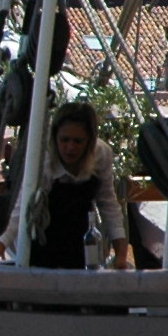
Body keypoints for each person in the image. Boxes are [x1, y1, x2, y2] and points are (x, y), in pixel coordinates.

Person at [24, 101, 133, 270]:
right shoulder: (42, 158)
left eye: (78, 141)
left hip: (81, 243)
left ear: (89, 141)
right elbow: (23, 206)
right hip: (43, 240)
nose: (70, 148)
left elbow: (108, 204)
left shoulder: (101, 154)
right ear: (55, 138)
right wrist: (0, 246)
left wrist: (120, 253)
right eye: (64, 140)